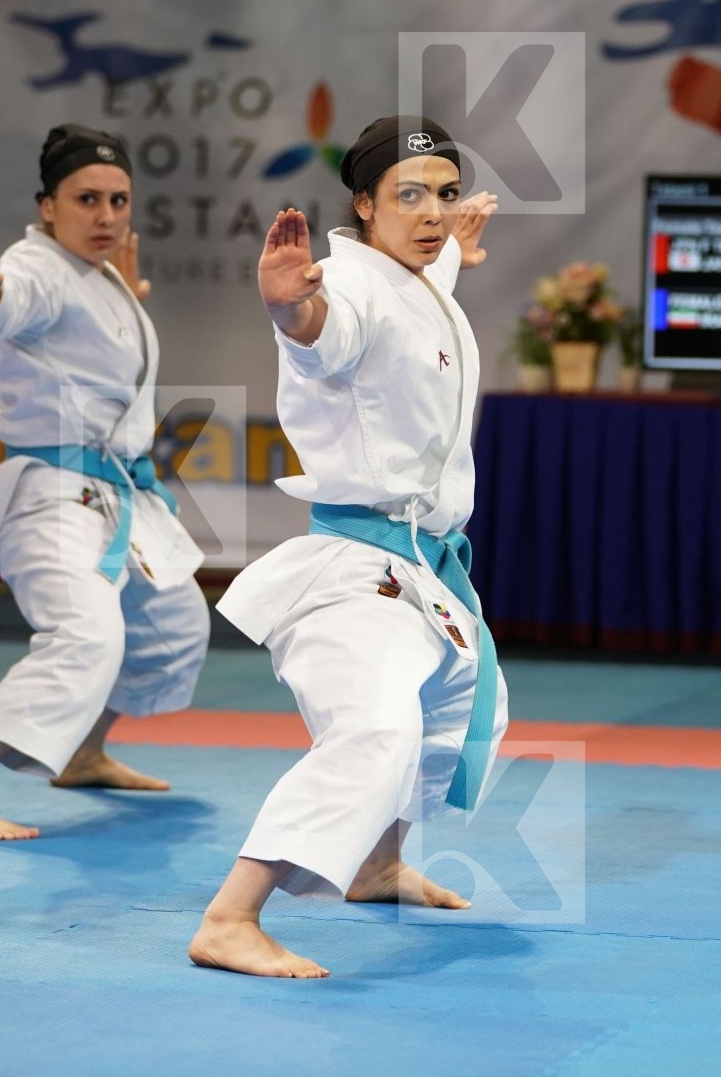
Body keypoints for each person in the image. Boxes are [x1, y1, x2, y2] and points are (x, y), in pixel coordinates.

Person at [190, 116, 503, 978]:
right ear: (363, 206)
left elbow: (427, 270)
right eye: (410, 196)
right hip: (355, 571)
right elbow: (326, 334)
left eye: (445, 193)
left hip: (419, 570)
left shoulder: (414, 272)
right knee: (374, 730)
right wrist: (295, 307)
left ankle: (376, 863)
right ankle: (230, 917)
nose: (432, 212)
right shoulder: (352, 288)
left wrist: (454, 254)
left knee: (450, 711)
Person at [0, 124, 211, 841]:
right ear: (48, 206)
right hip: (52, 498)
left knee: (173, 624)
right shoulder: (34, 265)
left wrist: (124, 296)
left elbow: (88, 344)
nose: (106, 216)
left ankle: (81, 750)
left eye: (119, 200)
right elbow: (6, 304)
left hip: (113, 497)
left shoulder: (97, 272)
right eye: (86, 200)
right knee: (84, 634)